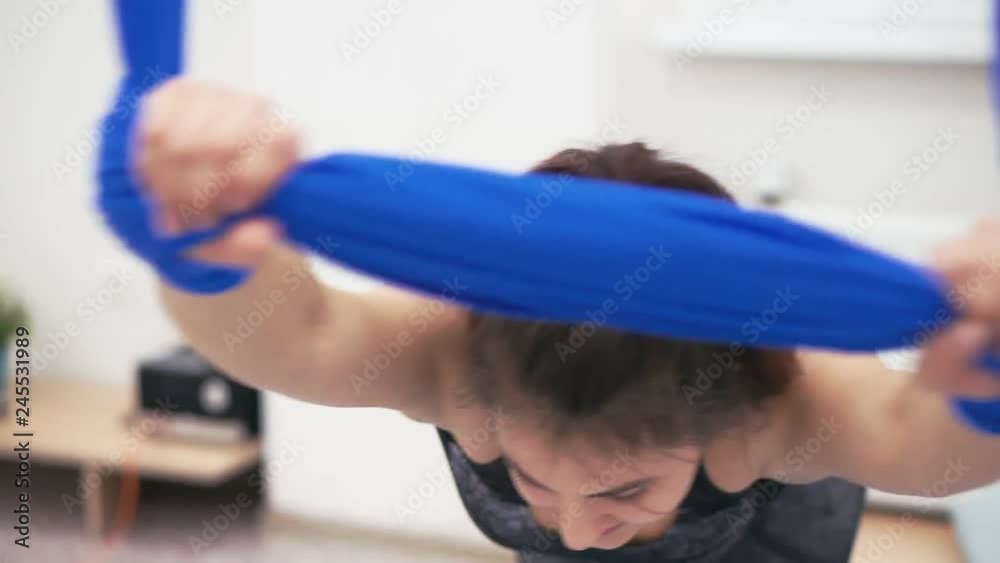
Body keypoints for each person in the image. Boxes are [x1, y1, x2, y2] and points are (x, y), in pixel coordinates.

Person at [135, 78, 1000, 562]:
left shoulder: (783, 396)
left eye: (624, 489)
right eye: (531, 477)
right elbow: (298, 337)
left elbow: (924, 448)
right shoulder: (452, 351)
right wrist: (205, 236)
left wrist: (987, 383)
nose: (574, 533)